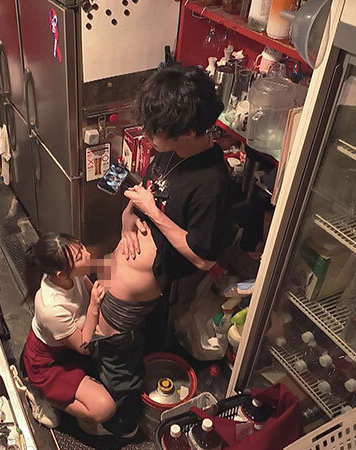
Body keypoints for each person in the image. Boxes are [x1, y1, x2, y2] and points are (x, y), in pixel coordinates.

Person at [95, 65, 231, 436]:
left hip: (133, 297)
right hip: (114, 273)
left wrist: (154, 213)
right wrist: (127, 215)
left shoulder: (212, 184)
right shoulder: (167, 154)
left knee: (117, 358)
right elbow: (148, 193)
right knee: (110, 349)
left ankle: (122, 425)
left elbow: (204, 257)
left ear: (188, 132)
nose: (148, 135)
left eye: (155, 131)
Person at [20, 232, 116, 433]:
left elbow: (90, 290)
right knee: (104, 408)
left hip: (71, 346)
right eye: (80, 256)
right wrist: (94, 306)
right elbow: (84, 347)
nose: (88, 254)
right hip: (50, 363)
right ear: (60, 274)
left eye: (81, 247)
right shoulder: (51, 308)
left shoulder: (73, 275)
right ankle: (44, 395)